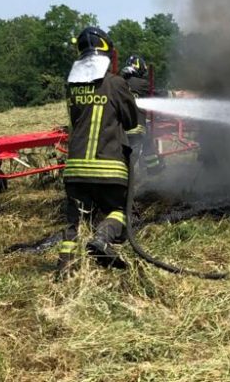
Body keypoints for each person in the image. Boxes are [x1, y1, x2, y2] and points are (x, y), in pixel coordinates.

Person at [57, 27, 139, 274]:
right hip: (109, 167)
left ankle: (65, 268)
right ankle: (102, 240)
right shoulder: (116, 83)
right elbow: (132, 121)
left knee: (75, 221)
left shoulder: (72, 87)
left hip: (75, 169)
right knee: (120, 211)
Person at [120, 54, 165, 175]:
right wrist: (174, 95)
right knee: (146, 137)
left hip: (118, 128)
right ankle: (153, 169)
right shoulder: (141, 83)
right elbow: (157, 95)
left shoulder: (118, 82)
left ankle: (152, 168)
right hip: (136, 128)